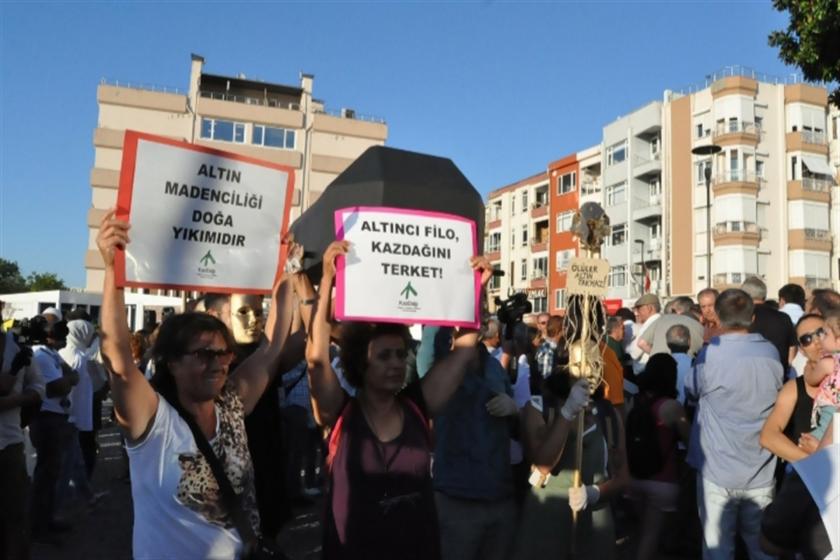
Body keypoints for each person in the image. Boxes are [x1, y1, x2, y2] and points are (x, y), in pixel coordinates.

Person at [96, 210, 299, 559]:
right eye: (203, 354)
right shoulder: (154, 420)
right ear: (172, 362)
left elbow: (271, 347)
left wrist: (284, 272)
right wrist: (112, 270)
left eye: (223, 354)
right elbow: (118, 361)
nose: (217, 363)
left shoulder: (231, 404)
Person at [304, 240, 493, 560]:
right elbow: (317, 359)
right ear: (359, 362)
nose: (396, 363)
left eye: (400, 354)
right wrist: (328, 281)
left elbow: (463, 351)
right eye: (384, 356)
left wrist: (475, 290)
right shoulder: (340, 414)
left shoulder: (417, 405)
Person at [685, 288, 782, 560]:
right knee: (762, 549)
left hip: (717, 470)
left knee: (718, 551)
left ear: (719, 316)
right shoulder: (771, 353)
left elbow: (690, 390)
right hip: (761, 467)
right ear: (752, 317)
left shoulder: (711, 355)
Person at [511, 369, 629, 559]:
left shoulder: (608, 415)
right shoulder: (539, 408)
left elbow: (622, 478)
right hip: (545, 523)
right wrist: (567, 413)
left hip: (593, 525)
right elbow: (543, 465)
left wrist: (594, 493)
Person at [626, 354, 691, 560]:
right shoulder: (671, 407)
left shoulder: (634, 400)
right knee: (650, 536)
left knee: (637, 533)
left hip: (631, 477)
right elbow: (689, 440)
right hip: (663, 479)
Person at [29, 317, 78, 544]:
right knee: (46, 474)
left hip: (56, 417)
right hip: (46, 419)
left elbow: (73, 377)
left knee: (52, 472)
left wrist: (66, 379)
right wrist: (67, 379)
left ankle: (46, 520)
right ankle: (38, 526)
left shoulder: (52, 354)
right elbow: (55, 388)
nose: (64, 339)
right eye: (59, 334)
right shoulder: (40, 354)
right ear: (47, 335)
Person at [0, 318, 45, 559]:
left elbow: (39, 387)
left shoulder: (17, 349)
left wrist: (15, 400)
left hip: (10, 442)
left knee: (15, 515)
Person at [759, 314, 824, 465]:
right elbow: (768, 436)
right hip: (806, 479)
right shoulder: (794, 388)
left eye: (821, 332)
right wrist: (816, 463)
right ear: (801, 350)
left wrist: (822, 450)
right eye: (807, 339)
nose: (817, 342)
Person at [742, 276, 797, 379]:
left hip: (749, 377)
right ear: (764, 295)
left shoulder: (742, 318)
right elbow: (792, 348)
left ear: (744, 296)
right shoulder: (783, 318)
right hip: (779, 376)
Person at [801, 313, 840, 441]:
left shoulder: (829, 363)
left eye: (825, 334)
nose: (820, 338)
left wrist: (808, 369)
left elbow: (811, 379)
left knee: (816, 437)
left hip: (831, 408)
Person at [637, 296, 704, 358]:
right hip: (686, 366)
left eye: (673, 310)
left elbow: (641, 343)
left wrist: (655, 356)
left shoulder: (662, 319)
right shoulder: (700, 327)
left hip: (657, 365)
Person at [628, 294, 661, 374]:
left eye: (639, 309)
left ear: (650, 308)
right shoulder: (662, 321)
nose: (636, 313)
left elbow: (635, 353)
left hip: (644, 371)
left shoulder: (649, 324)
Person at [665, 324, 692, 406]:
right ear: (689, 342)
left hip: (664, 412)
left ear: (667, 343)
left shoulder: (661, 363)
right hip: (686, 413)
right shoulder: (695, 364)